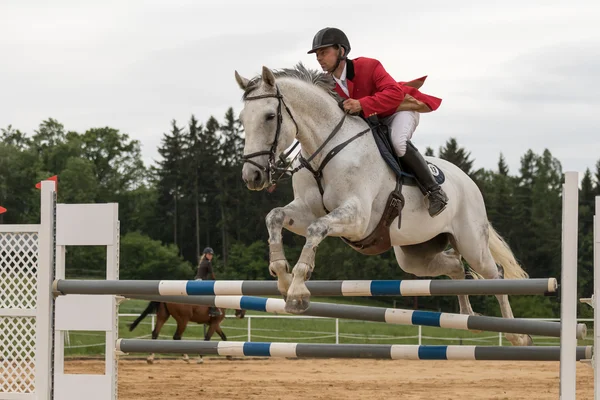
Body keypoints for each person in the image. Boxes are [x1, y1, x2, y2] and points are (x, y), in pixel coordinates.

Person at [307, 27, 448, 217]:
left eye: (324, 52)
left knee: (398, 142)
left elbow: (394, 94)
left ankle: (434, 192)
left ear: (341, 51)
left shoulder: (369, 66)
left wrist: (361, 103)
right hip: (371, 121)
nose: (319, 58)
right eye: (317, 55)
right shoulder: (327, 84)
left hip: (399, 110)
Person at [195, 247, 220, 317]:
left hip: (196, 280)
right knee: (212, 293)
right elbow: (212, 275)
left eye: (211, 255)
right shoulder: (208, 262)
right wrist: (215, 281)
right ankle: (212, 310)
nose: (210, 256)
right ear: (205, 254)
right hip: (201, 281)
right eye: (209, 254)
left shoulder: (202, 262)